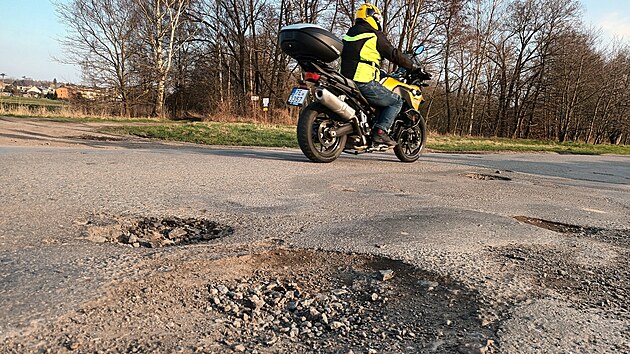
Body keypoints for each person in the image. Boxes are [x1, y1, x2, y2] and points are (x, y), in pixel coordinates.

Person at [340, 3, 421, 147]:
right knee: (396, 101)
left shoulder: (349, 34)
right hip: (363, 80)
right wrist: (412, 66)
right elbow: (394, 54)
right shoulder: (373, 34)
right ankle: (380, 132)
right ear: (373, 18)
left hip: (344, 80)